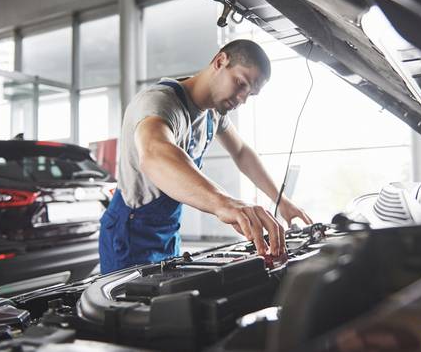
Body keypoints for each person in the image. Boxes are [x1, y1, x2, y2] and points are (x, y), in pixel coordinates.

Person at [99, 39, 312, 274]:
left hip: (168, 231)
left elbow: (241, 152)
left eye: (250, 94)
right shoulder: (159, 103)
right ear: (220, 61)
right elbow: (154, 154)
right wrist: (225, 203)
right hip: (129, 233)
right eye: (240, 83)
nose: (242, 99)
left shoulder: (213, 113)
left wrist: (281, 201)